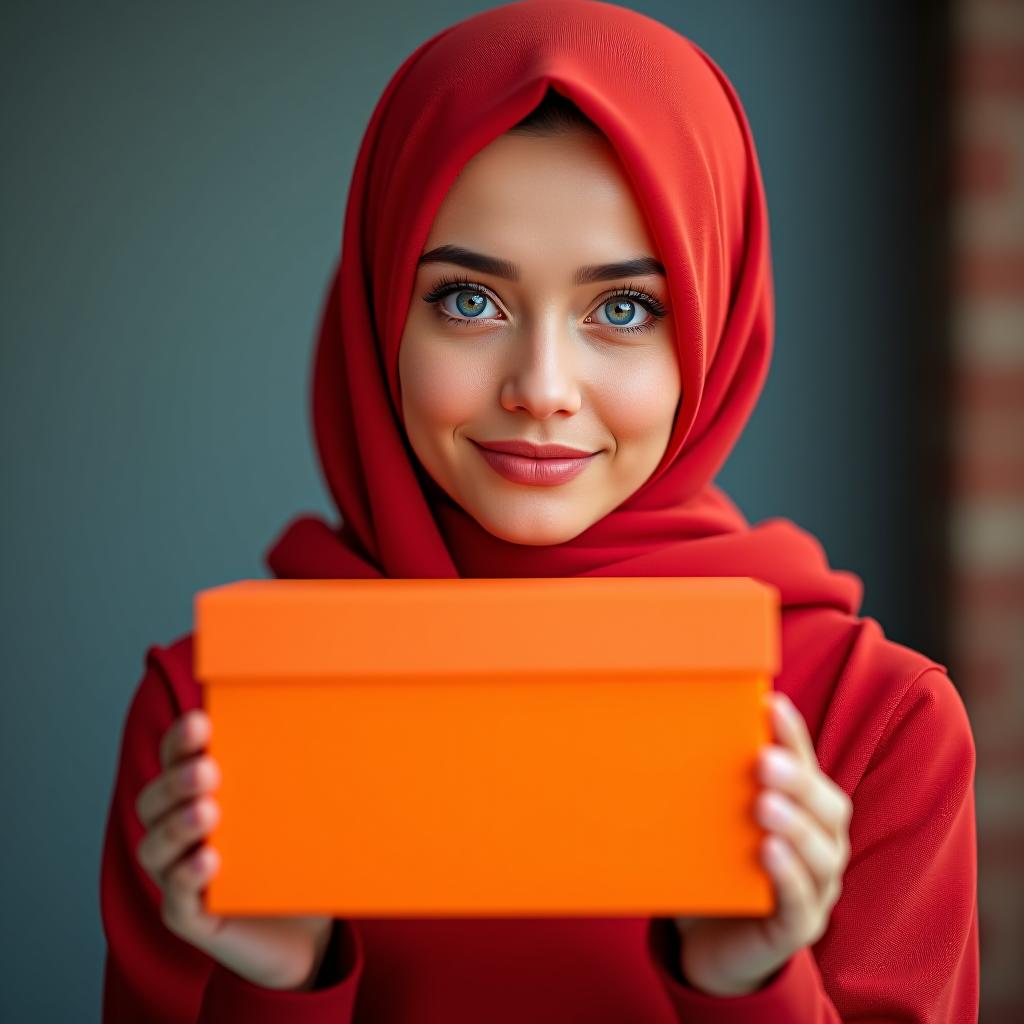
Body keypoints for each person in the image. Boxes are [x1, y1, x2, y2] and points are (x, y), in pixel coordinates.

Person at [99, 1, 979, 1020]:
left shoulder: (868, 724)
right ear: (379, 306)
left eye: (623, 309)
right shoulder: (208, 724)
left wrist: (748, 988)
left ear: (714, 323)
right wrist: (277, 982)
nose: (542, 386)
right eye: (469, 299)